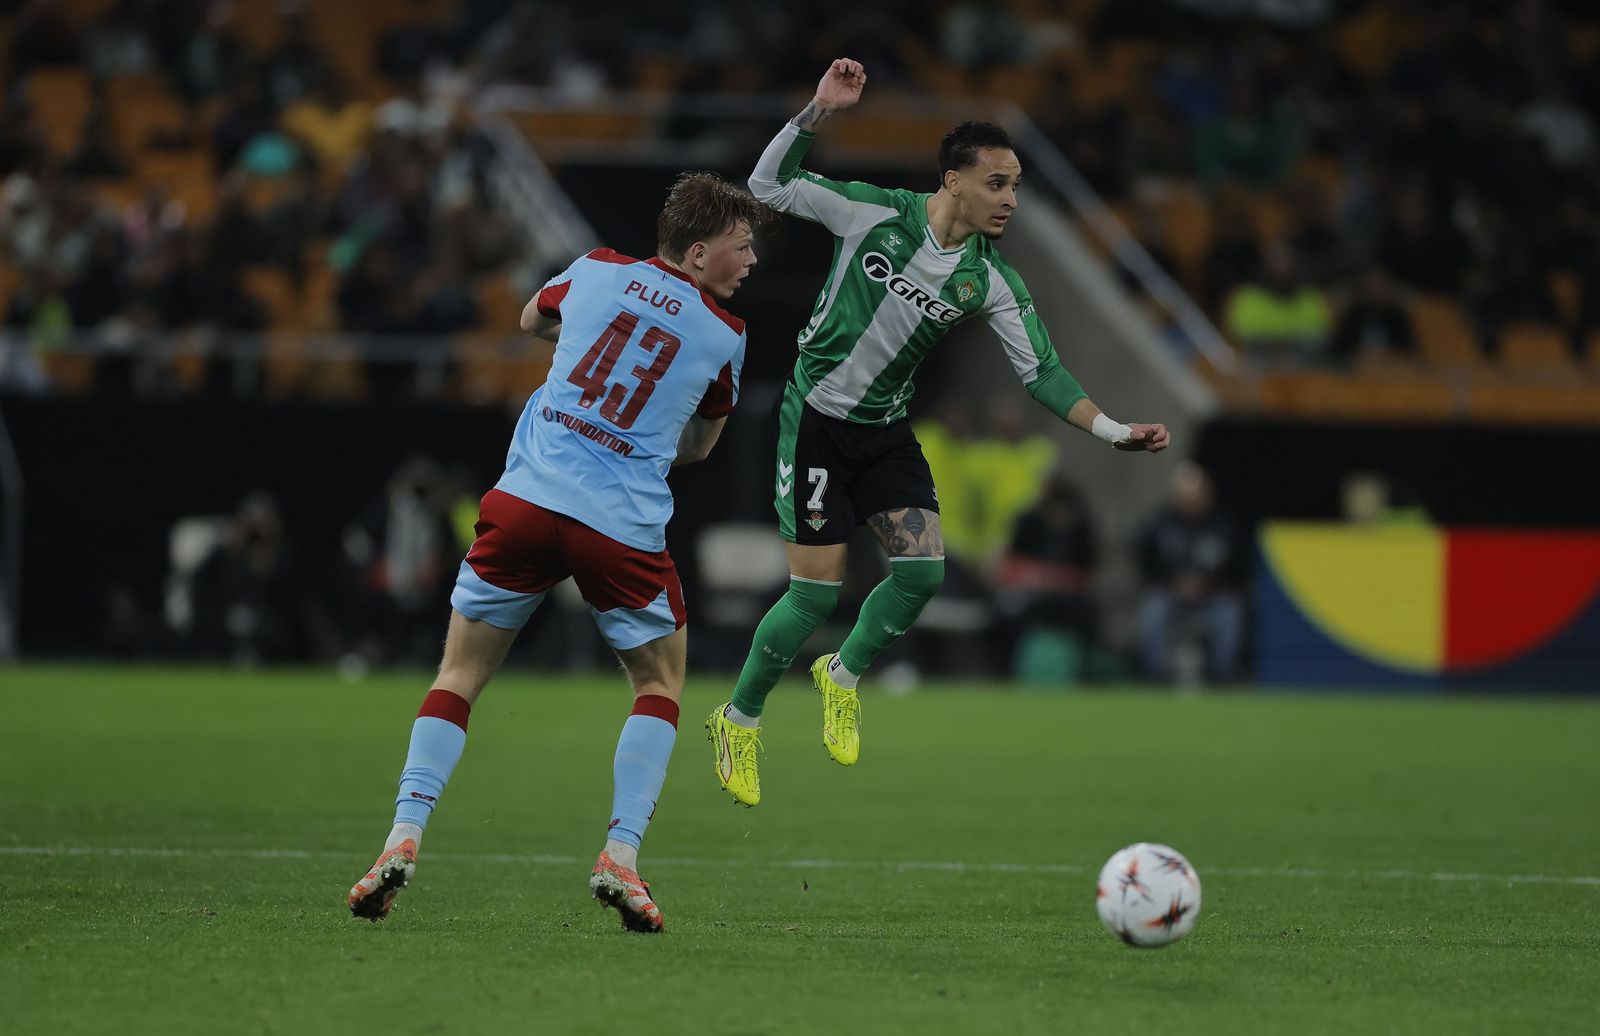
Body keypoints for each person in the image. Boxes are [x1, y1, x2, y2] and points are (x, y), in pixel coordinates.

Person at [706, 59, 1170, 808]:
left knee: (921, 574)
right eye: (997, 183)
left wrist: (1114, 431)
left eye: (1016, 186)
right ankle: (738, 719)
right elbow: (767, 185)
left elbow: (1043, 373)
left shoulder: (991, 279)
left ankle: (842, 675)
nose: (1011, 199)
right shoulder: (872, 213)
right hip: (816, 422)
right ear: (953, 180)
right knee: (814, 595)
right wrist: (818, 111)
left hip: (885, 432)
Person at [348, 172, 771, 933]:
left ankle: (402, 835)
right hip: (617, 527)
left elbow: (530, 319)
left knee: (459, 674)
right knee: (660, 683)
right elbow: (701, 446)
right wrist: (639, 437)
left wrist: (584, 363)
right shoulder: (725, 334)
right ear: (698, 253)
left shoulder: (597, 268)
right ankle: (621, 855)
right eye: (741, 247)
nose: (751, 262)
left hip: (526, 504)